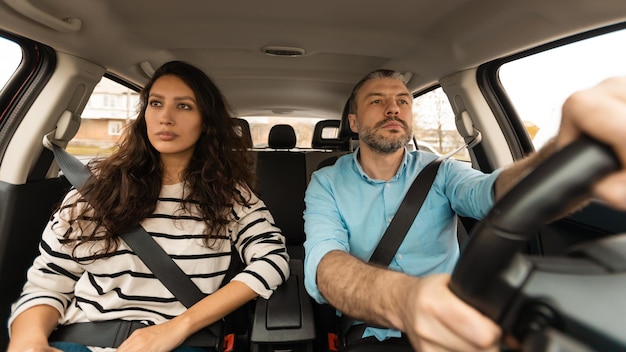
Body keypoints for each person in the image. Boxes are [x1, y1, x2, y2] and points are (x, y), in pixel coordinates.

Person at [303, 69, 626, 352]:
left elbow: (495, 193)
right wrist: (408, 301)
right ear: (354, 122)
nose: (393, 109)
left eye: (403, 101)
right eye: (376, 101)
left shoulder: (440, 171)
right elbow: (325, 262)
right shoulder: (326, 181)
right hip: (373, 334)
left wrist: (565, 156)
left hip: (464, 325)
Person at [7, 61, 290, 352]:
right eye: (156, 103)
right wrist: (28, 340)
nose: (165, 117)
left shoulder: (231, 195)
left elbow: (272, 260)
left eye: (184, 106)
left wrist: (177, 327)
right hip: (81, 340)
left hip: (181, 342)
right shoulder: (94, 187)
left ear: (206, 122)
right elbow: (50, 279)